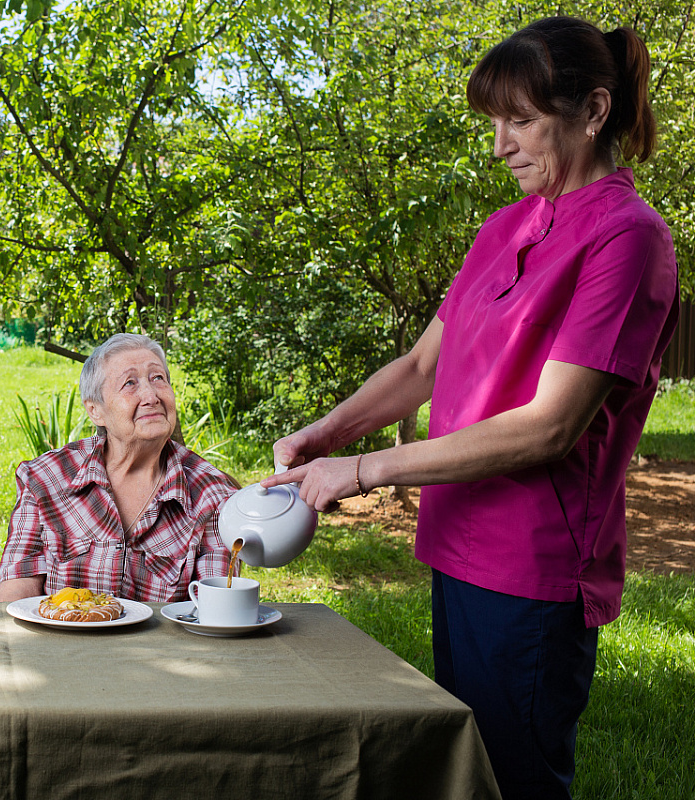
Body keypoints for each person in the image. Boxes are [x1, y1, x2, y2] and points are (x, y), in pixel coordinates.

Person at [262, 17, 677, 800]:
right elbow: (425, 363)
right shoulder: (504, 226)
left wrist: (363, 471)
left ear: (593, 110)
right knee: (463, 777)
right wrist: (327, 434)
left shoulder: (629, 239)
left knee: (512, 783)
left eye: (521, 121)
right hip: (455, 546)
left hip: (532, 569)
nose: (499, 145)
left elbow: (551, 426)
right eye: (494, 122)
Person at [0, 333, 238, 603]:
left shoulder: (212, 495)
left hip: (163, 646)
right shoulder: (46, 477)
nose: (151, 396)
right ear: (95, 410)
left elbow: (218, 610)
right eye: (129, 383)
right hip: (58, 643)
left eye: (158, 378)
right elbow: (15, 598)